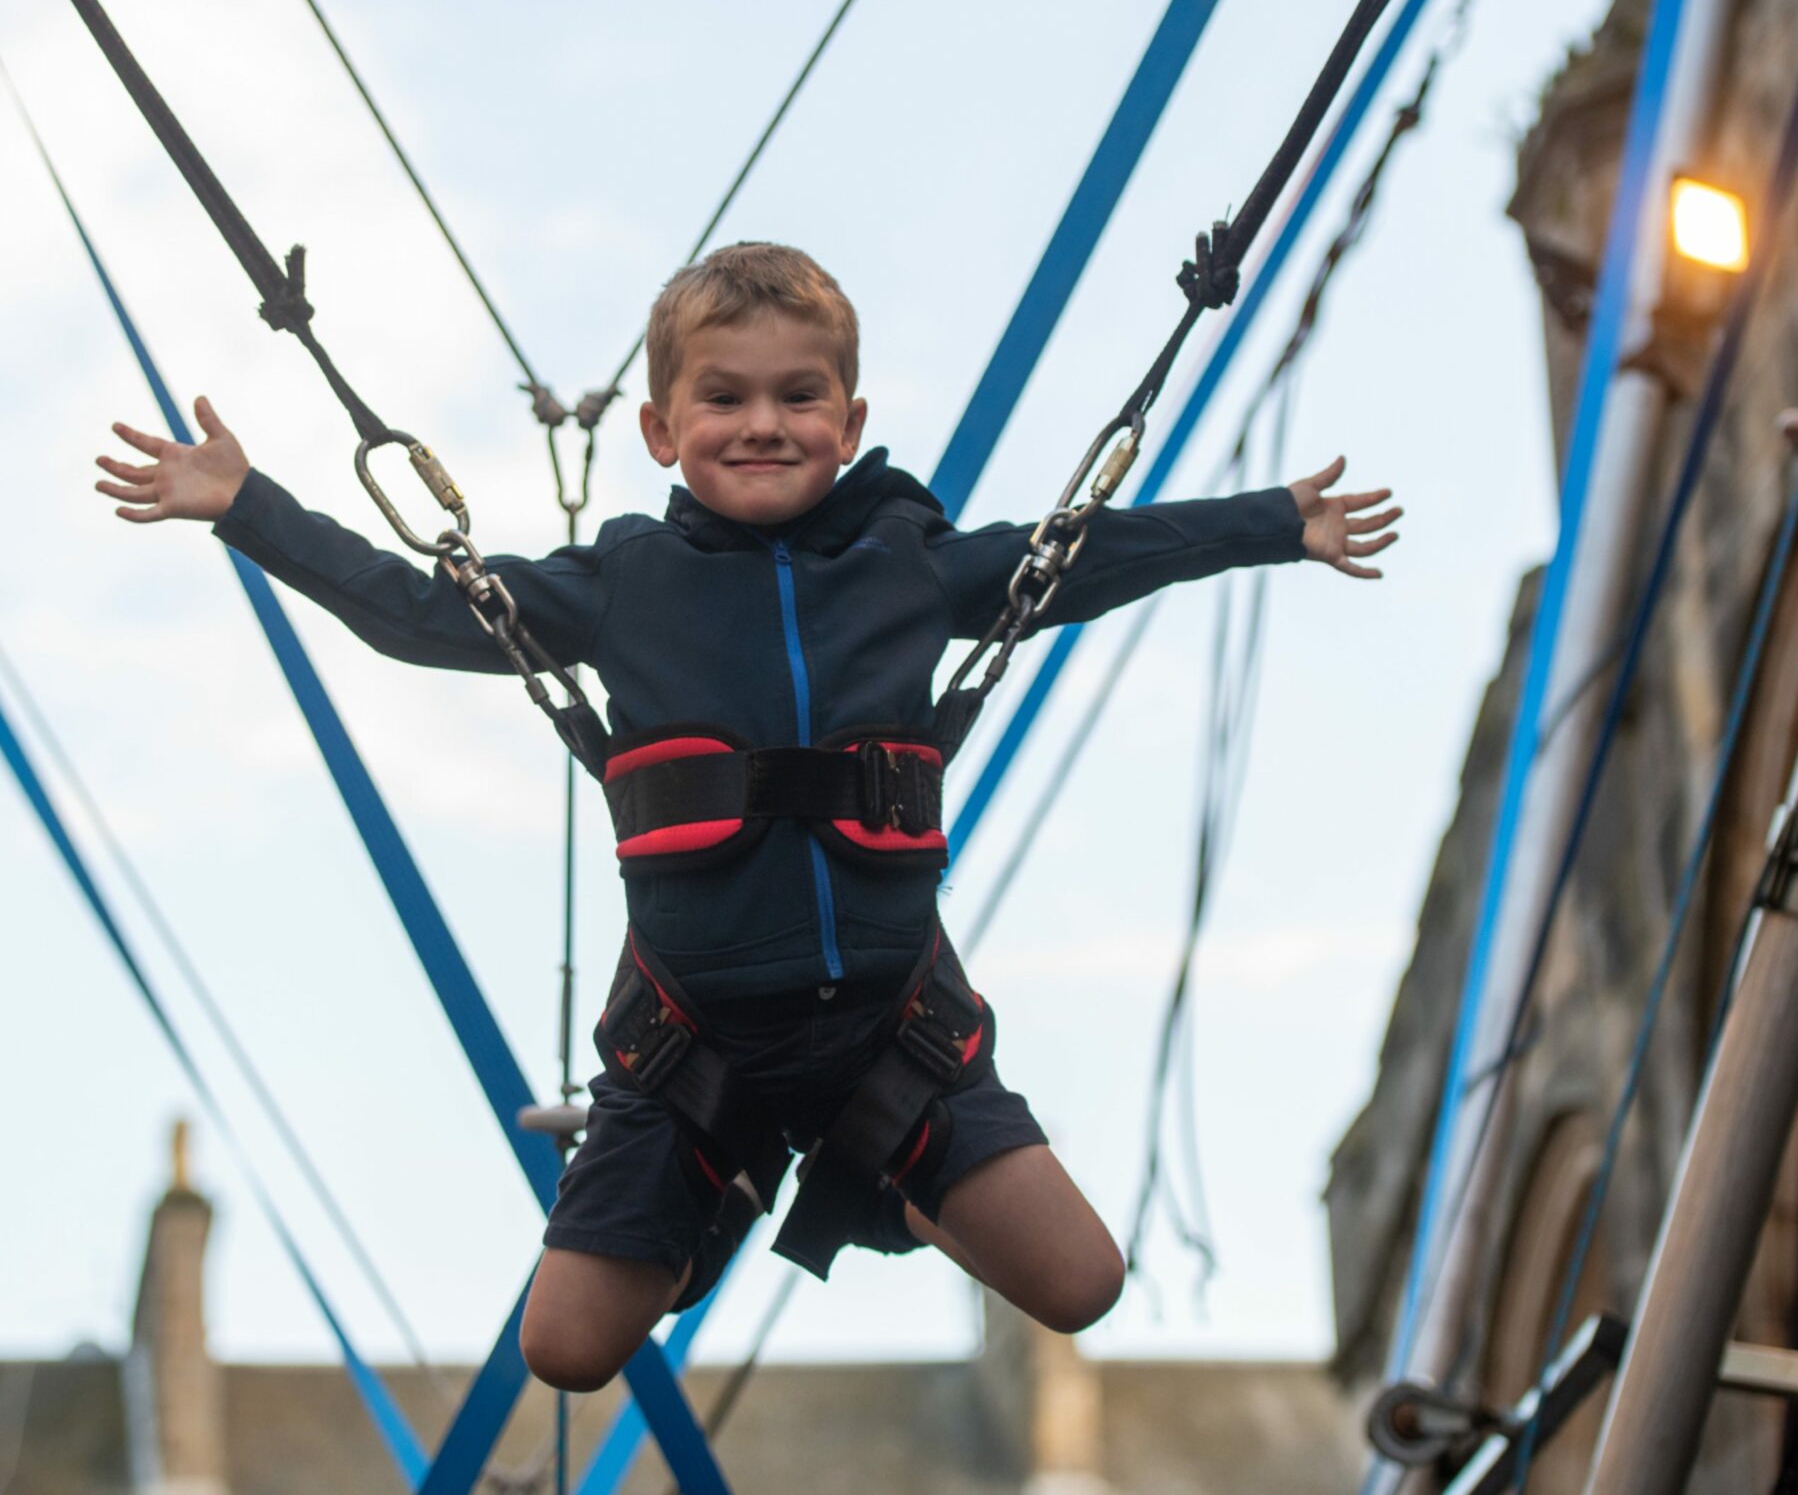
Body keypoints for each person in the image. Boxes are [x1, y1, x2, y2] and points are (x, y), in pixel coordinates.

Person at [94, 242, 1399, 1391]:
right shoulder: (626, 585)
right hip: (689, 1051)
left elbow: (1087, 552)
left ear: (849, 417)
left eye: (797, 396)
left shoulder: (908, 566)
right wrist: (249, 510)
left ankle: (867, 1171)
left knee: (1082, 1283)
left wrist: (1276, 523)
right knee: (566, 1352)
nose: (761, 424)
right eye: (724, 398)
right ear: (663, 430)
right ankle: (720, 1197)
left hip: (894, 1034)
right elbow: (422, 610)